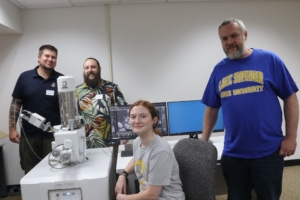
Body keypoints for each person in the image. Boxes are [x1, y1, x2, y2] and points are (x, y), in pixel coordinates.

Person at [201, 17, 299, 200]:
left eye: (234, 35)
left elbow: (290, 97)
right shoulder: (219, 70)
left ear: (245, 35)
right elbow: (211, 108)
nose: (229, 42)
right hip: (233, 154)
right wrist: (203, 142)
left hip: (268, 152)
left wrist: (291, 137)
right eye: (224, 39)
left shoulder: (270, 60)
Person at [9, 44, 63, 174]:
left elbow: (65, 108)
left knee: (56, 172)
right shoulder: (25, 77)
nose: (50, 59)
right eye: (47, 56)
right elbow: (16, 104)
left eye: (53, 57)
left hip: (54, 137)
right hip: (29, 137)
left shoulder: (61, 79)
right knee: (30, 173)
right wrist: (12, 129)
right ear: (39, 58)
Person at [115, 100, 185, 200]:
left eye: (143, 116)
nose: (137, 121)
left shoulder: (160, 151)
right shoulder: (137, 141)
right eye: (133, 117)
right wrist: (123, 175)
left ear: (154, 120)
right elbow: (137, 159)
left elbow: (152, 196)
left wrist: (123, 198)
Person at [76, 57, 127, 148]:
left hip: (110, 142)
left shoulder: (112, 87)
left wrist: (125, 133)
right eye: (86, 68)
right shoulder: (77, 91)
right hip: (85, 144)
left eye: (93, 67)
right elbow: (73, 116)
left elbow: (122, 111)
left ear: (99, 69)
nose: (90, 70)